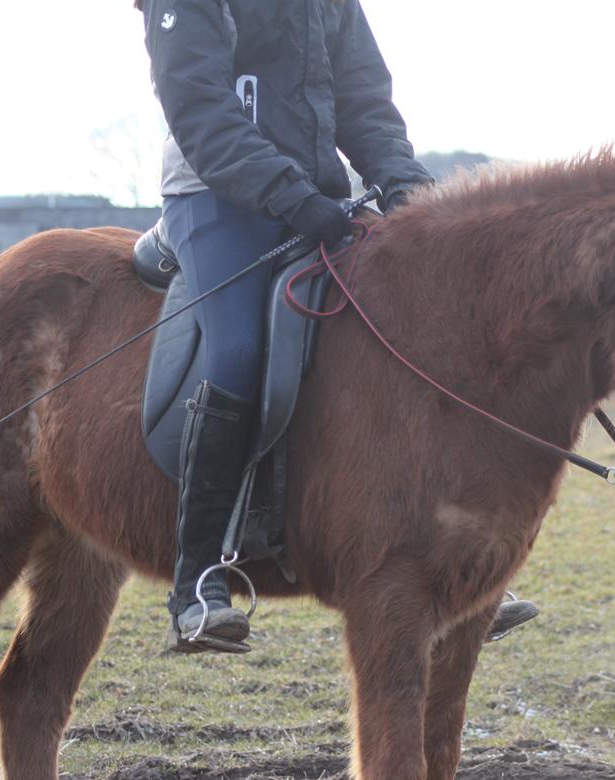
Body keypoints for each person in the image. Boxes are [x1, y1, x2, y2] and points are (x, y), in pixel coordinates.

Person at [138, 0, 537, 653]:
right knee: (238, 352)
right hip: (215, 195)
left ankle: (454, 557)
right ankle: (197, 582)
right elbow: (199, 108)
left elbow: (364, 99)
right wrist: (291, 196)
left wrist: (405, 185)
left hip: (316, 194)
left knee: (422, 325)